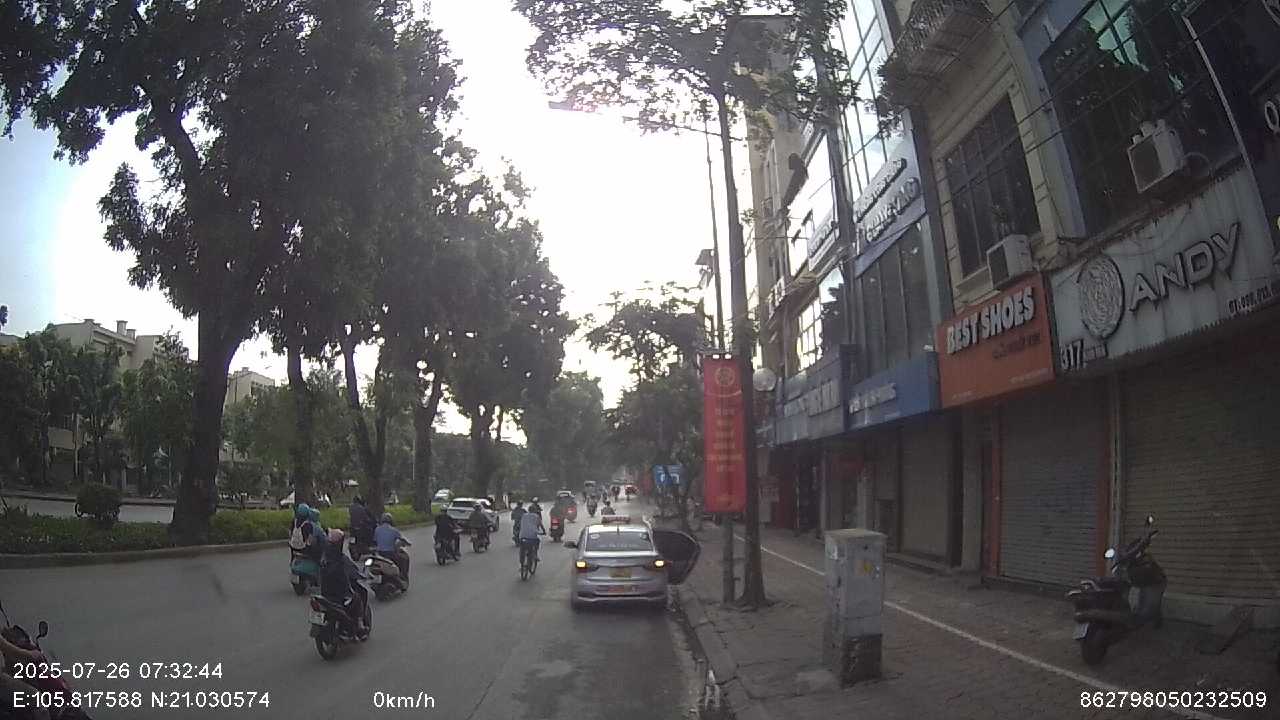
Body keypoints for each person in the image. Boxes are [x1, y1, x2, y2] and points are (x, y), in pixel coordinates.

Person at [318, 529, 368, 632]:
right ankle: (360, 624)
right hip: (341, 594)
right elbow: (353, 571)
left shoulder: (324, 556)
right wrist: (362, 576)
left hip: (325, 593)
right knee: (358, 597)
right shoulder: (341, 559)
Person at [374, 512, 411, 581]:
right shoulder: (394, 530)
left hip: (380, 554)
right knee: (404, 558)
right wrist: (408, 543)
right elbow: (403, 539)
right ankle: (403, 577)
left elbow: (375, 541)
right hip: (391, 554)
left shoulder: (377, 529)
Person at [517, 502, 545, 568]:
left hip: (522, 536)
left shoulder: (523, 515)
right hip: (532, 537)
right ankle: (535, 554)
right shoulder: (536, 516)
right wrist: (544, 532)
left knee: (522, 547)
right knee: (537, 541)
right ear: (535, 510)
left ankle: (522, 562)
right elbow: (541, 525)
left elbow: (520, 524)